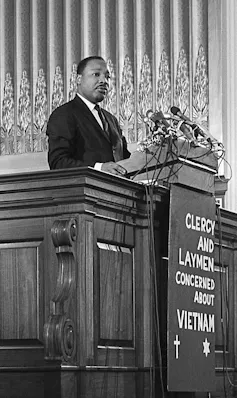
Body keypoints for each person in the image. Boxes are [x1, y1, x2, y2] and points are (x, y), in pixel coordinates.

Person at [46, 56, 130, 176]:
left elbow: (125, 159)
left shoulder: (112, 120)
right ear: (79, 79)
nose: (104, 81)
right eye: (96, 74)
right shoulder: (64, 115)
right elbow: (58, 162)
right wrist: (99, 168)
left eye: (107, 77)